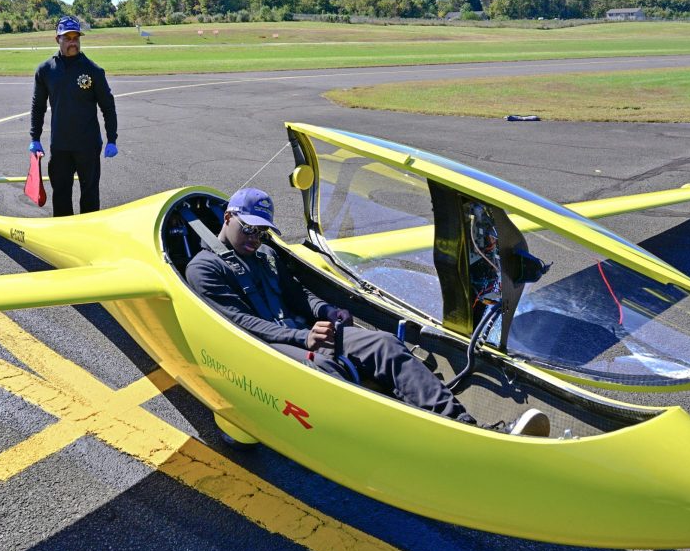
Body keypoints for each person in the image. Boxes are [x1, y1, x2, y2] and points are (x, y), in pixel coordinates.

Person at [185, 187, 550, 437]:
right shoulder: (204, 268)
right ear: (229, 217)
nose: (255, 238)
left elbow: (298, 296)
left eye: (263, 233)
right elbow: (237, 323)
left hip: (304, 333)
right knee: (324, 371)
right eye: (249, 229)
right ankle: (404, 432)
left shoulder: (264, 255)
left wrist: (326, 309)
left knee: (386, 345)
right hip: (261, 345)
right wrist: (304, 336)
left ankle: (466, 428)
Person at [29, 16, 118, 217]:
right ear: (57, 39)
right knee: (60, 195)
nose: (72, 42)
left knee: (90, 195)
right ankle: (63, 237)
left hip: (88, 146)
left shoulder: (93, 70)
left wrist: (112, 139)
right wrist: (35, 137)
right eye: (67, 38)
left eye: (75, 37)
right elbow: (38, 106)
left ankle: (88, 236)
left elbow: (108, 107)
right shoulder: (45, 71)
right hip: (60, 146)